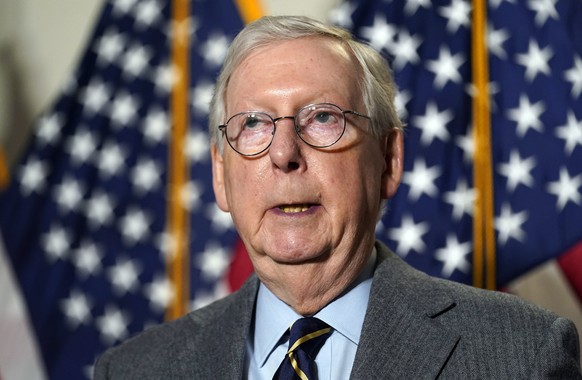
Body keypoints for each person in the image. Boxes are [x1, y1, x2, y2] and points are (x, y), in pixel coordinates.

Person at [94, 15, 581, 379]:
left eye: (322, 118)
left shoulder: (523, 354)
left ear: (389, 160)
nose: (284, 153)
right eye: (254, 124)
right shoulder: (134, 370)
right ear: (221, 176)